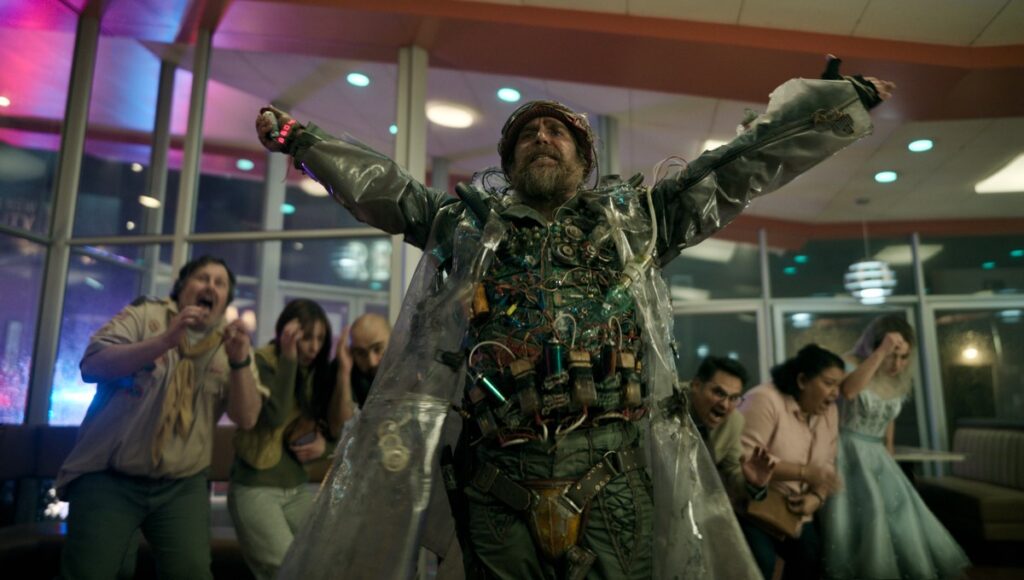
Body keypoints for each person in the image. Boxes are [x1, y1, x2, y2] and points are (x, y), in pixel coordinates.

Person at [255, 60, 894, 579]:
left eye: (558, 131)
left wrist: (836, 105)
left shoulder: (636, 225)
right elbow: (388, 191)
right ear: (506, 165)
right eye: (528, 133)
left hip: (613, 485)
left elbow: (735, 168)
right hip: (497, 487)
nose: (542, 137)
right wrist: (303, 141)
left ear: (584, 161)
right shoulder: (467, 228)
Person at [56, 256, 265, 580]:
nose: (210, 286)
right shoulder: (145, 315)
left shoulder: (233, 344)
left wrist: (239, 363)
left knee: (192, 573)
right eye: (202, 278)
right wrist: (164, 341)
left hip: (181, 485)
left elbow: (248, 417)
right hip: (109, 476)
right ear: (182, 287)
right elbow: (92, 366)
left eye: (220, 283)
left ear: (225, 300)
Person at [820, 315, 969, 579]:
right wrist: (881, 352)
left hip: (878, 455)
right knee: (861, 520)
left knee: (899, 521)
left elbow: (889, 424)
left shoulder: (898, 378)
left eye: (904, 357)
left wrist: (889, 457)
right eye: (893, 356)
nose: (897, 364)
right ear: (874, 347)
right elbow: (850, 392)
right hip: (846, 451)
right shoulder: (850, 363)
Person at [229, 299, 356, 580]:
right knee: (288, 570)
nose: (313, 347)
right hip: (256, 490)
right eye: (306, 337)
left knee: (325, 560)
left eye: (320, 339)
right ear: (286, 333)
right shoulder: (261, 361)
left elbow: (337, 430)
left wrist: (344, 371)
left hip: (296, 489)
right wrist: (287, 358)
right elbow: (275, 416)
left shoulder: (316, 372)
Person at [737, 344, 845, 580]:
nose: (836, 393)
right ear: (803, 380)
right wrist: (805, 473)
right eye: (829, 383)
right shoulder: (764, 399)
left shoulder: (829, 411)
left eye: (838, 385)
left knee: (812, 561)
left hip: (796, 513)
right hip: (753, 507)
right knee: (759, 566)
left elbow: (827, 463)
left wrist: (816, 498)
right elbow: (744, 460)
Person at [686, 356, 774, 504]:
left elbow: (733, 472)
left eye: (734, 398)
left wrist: (753, 483)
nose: (725, 405)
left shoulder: (734, 421)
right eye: (719, 393)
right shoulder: (669, 402)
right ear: (695, 385)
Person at [337, 312, 391, 409]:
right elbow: (340, 423)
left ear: (393, 341)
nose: (371, 362)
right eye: (361, 353)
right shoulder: (351, 373)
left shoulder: (409, 371)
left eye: (378, 349)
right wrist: (344, 372)